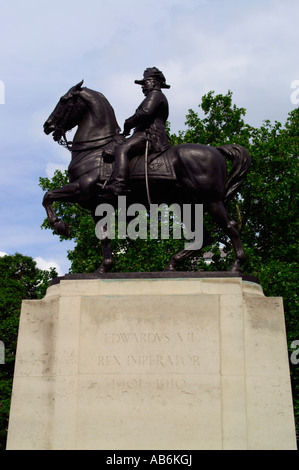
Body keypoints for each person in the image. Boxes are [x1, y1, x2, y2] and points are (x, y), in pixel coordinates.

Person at [105, 67, 171, 196]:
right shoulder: (155, 96)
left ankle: (118, 185)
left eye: (145, 83)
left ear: (155, 82)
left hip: (150, 134)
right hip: (145, 133)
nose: (143, 87)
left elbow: (145, 113)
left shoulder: (155, 95)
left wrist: (128, 123)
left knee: (122, 149)